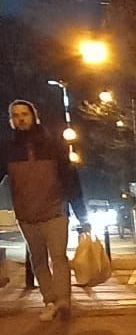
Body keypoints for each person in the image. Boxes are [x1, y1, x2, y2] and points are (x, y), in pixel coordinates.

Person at [2, 100, 88, 322]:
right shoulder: (7, 150)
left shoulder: (53, 145)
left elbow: (70, 179)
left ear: (34, 116)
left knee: (58, 257)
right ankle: (50, 300)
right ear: (11, 120)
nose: (20, 118)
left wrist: (81, 214)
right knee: (38, 259)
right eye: (16, 115)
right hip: (26, 214)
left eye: (24, 114)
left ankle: (62, 302)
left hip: (55, 210)